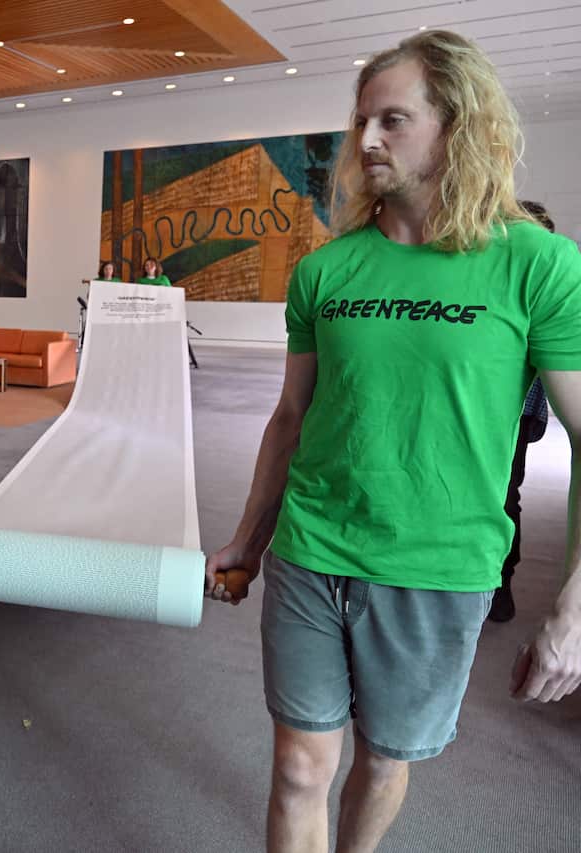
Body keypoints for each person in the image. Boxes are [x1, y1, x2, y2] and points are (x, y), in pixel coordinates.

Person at [204, 30, 581, 853]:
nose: (367, 139)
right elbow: (289, 418)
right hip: (313, 550)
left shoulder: (538, 266)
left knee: (382, 761)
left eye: (394, 120)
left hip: (439, 569)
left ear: (457, 124)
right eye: (362, 120)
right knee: (301, 766)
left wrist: (578, 606)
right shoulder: (326, 272)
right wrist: (247, 538)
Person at [490, 200, 557, 623]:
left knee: (506, 497)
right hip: (490, 410)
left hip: (519, 413)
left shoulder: (546, 286)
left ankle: (501, 583)